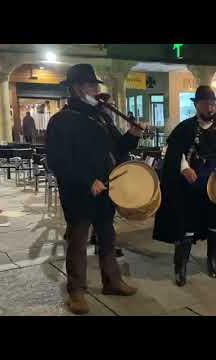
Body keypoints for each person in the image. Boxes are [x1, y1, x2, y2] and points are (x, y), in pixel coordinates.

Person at [46, 64, 144, 315]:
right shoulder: (61, 121)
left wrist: (132, 135)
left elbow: (118, 148)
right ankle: (76, 291)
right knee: (78, 240)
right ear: (79, 88)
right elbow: (59, 161)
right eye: (92, 85)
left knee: (107, 237)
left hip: (106, 189)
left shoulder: (100, 116)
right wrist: (88, 180)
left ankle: (112, 281)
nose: (96, 89)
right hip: (79, 192)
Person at [153, 85, 216, 287]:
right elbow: (174, 153)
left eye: (213, 104)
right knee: (186, 227)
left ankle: (213, 260)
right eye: (206, 103)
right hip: (191, 185)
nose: (210, 107)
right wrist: (184, 168)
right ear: (197, 105)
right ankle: (181, 267)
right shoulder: (185, 128)